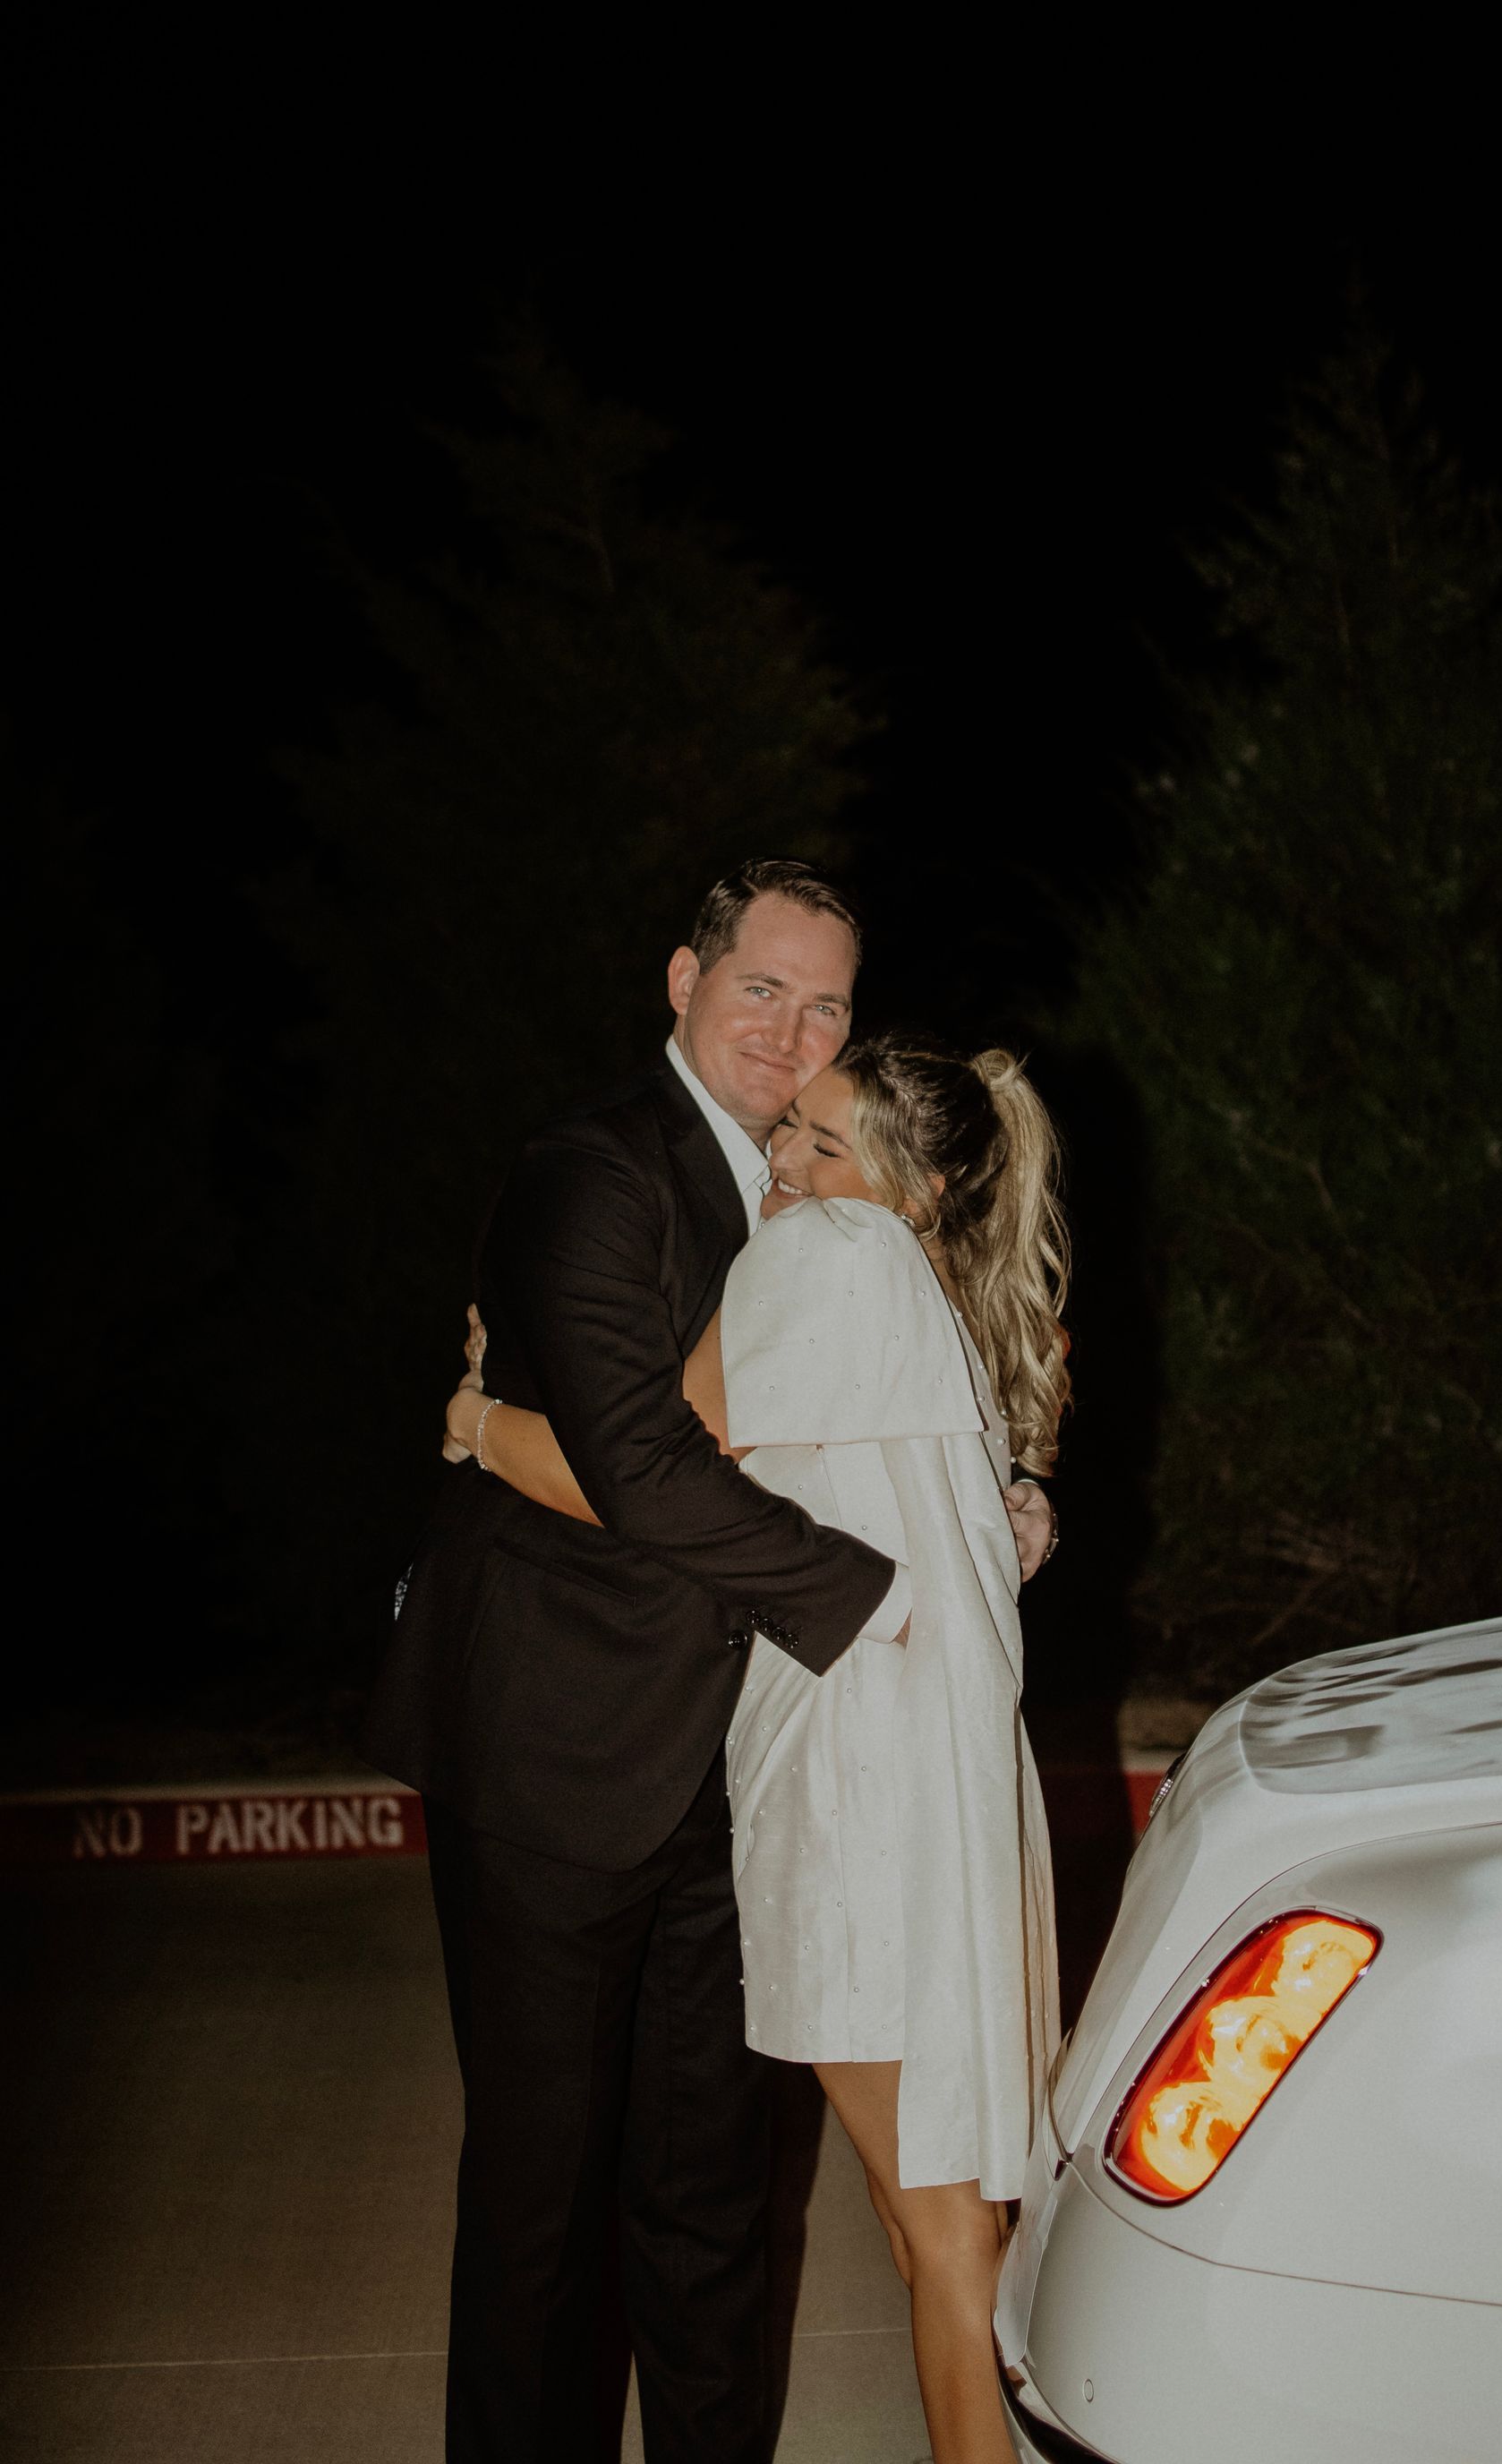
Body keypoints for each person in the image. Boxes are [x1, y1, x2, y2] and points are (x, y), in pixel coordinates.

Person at [363, 860, 1054, 2464]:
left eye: (826, 1005)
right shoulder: (593, 1173)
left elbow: (919, 1413)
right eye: (764, 987)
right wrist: (880, 1586)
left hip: (754, 1770)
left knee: (711, 2211)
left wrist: (1003, 1501)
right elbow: (649, 1470)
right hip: (565, 1750)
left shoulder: (839, 1196)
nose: (794, 1028)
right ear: (683, 979)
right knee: (542, 2205)